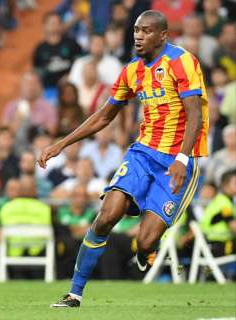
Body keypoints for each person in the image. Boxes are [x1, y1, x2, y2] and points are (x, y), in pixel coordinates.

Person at [40, 11, 209, 307]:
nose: (138, 36)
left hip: (178, 160)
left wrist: (182, 158)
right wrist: (62, 143)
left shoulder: (181, 61)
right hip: (143, 152)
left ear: (162, 35)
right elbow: (105, 115)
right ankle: (74, 293)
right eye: (136, 30)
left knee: (145, 241)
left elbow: (194, 113)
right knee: (107, 214)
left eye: (146, 31)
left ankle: (145, 251)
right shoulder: (131, 70)